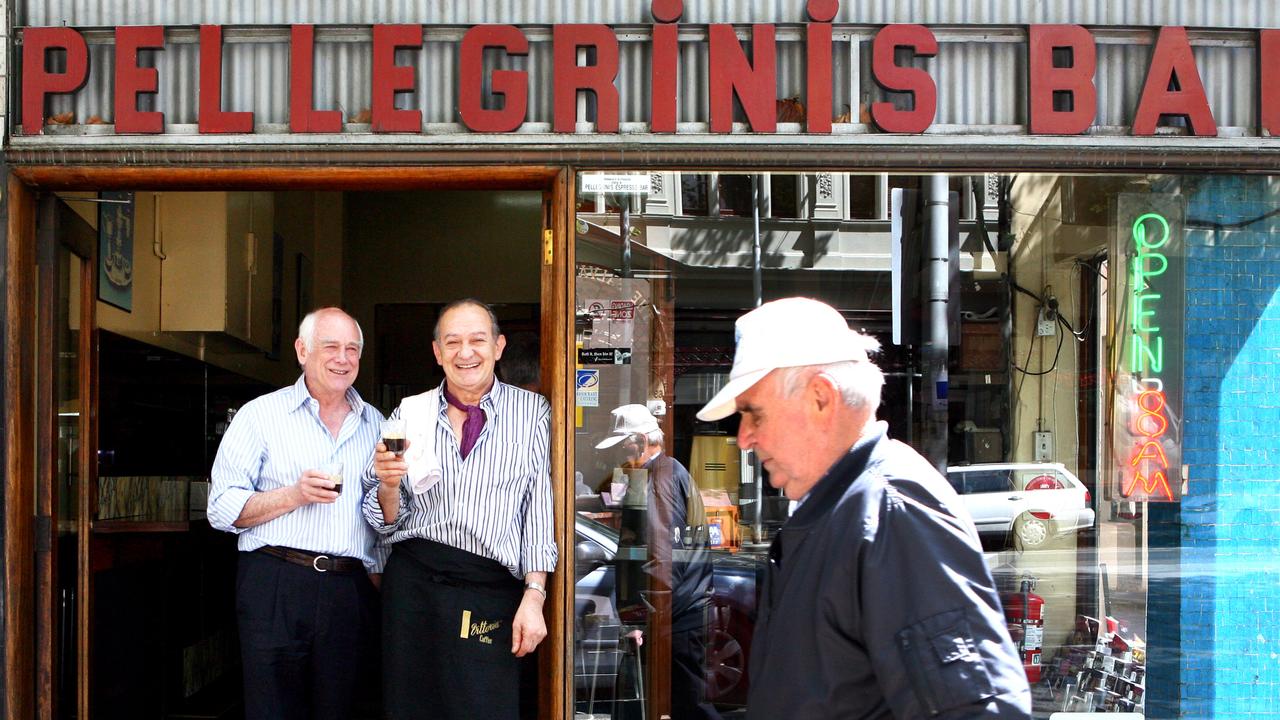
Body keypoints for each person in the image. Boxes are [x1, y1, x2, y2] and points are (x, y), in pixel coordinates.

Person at [695, 297, 1032, 719]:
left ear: (821, 399)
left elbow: (981, 710)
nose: (744, 438)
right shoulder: (844, 505)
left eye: (754, 414)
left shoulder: (892, 509)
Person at [365, 298, 557, 720]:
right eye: (452, 342)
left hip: (487, 587)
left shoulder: (534, 414)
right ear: (437, 352)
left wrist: (534, 593)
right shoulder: (408, 413)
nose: (465, 352)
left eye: (477, 340)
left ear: (499, 346)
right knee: (410, 706)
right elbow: (384, 519)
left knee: (483, 703)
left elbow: (538, 508)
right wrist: (388, 483)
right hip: (413, 583)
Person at [207, 307, 385, 720]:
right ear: (302, 351)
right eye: (331, 347)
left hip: (347, 587)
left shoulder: (376, 423)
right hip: (275, 582)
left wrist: (378, 582)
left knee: (341, 709)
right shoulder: (260, 416)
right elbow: (220, 509)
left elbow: (380, 519)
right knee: (272, 709)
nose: (343, 358)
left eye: (352, 349)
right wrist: (294, 494)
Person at [595, 403, 721, 720]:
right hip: (678, 613)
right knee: (678, 705)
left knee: (686, 707)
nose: (621, 453)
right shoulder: (666, 472)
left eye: (624, 443)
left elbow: (660, 557)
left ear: (641, 439)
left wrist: (639, 619)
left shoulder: (658, 480)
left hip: (672, 619)